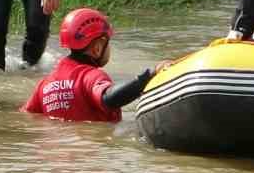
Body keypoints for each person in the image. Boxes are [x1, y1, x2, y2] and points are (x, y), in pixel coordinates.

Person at [21, 8, 162, 123]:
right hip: (92, 152)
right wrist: (149, 76)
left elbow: (27, 114)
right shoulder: (91, 76)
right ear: (98, 47)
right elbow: (109, 98)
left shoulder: (45, 85)